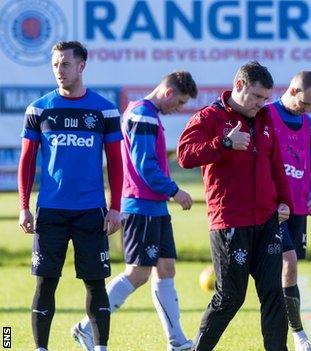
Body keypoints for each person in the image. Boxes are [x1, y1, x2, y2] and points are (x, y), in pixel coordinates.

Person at [71, 71, 198, 351]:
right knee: (138, 273)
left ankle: (177, 341)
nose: (179, 110)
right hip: (141, 206)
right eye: (180, 103)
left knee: (166, 268)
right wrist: (175, 190)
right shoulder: (144, 115)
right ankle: (86, 328)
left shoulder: (146, 113)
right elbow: (145, 165)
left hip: (155, 208)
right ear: (168, 92)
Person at [177, 61, 292, 351]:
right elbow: (185, 155)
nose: (261, 103)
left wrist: (284, 202)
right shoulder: (209, 117)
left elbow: (275, 164)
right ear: (239, 86)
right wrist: (224, 144)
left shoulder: (265, 118)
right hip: (230, 222)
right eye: (256, 96)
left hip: (267, 220)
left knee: (273, 294)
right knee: (230, 297)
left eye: (265, 98)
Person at [17, 41, 123, 351]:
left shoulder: (104, 109)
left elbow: (116, 163)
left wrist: (115, 207)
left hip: (91, 212)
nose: (59, 71)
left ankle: (101, 347)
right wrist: (24, 207)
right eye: (54, 65)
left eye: (65, 64)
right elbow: (26, 162)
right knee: (46, 283)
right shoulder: (39, 109)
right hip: (51, 211)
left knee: (95, 283)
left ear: (81, 66)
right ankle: (41, 348)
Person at [266, 71, 311, 351]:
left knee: (289, 267)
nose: (306, 110)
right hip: (274, 208)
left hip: (298, 208)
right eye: (304, 103)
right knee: (288, 262)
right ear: (292, 90)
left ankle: (284, 330)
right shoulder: (266, 116)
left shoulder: (308, 125)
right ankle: (298, 334)